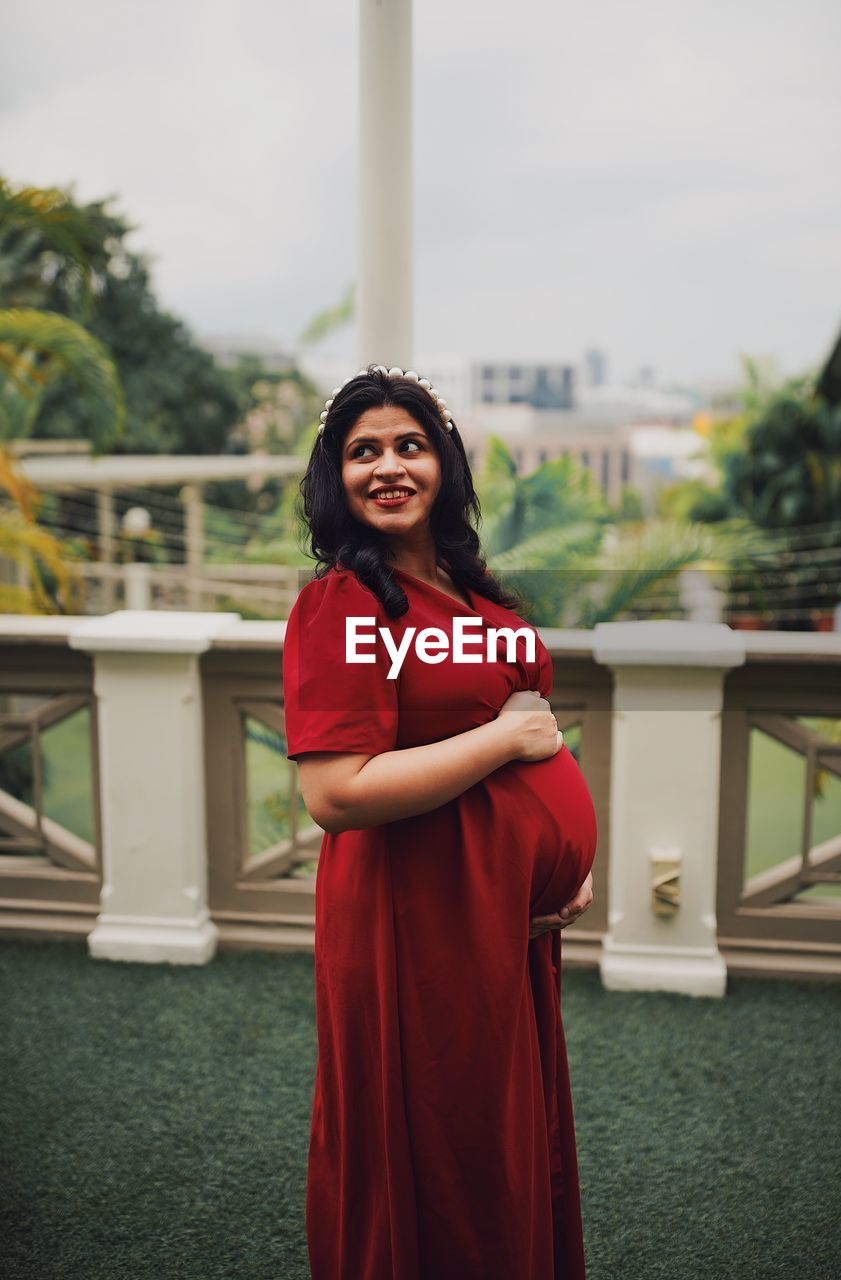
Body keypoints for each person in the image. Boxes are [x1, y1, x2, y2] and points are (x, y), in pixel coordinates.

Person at [282, 364, 597, 1280]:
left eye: (409, 446)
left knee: (498, 1143)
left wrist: (555, 867)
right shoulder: (344, 604)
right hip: (410, 920)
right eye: (362, 451)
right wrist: (507, 745)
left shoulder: (469, 592)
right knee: (439, 1148)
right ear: (334, 479)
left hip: (493, 917)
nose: (388, 467)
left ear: (444, 466)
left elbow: (522, 741)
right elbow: (336, 793)